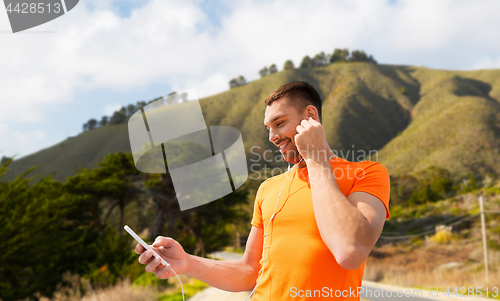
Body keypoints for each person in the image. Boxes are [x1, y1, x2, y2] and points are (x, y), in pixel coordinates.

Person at [135, 81, 390, 300]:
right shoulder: (269, 189)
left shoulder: (367, 173)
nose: (272, 137)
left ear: (310, 116)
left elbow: (350, 251)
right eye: (268, 128)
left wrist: (316, 158)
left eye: (279, 123)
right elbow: (249, 271)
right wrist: (187, 263)